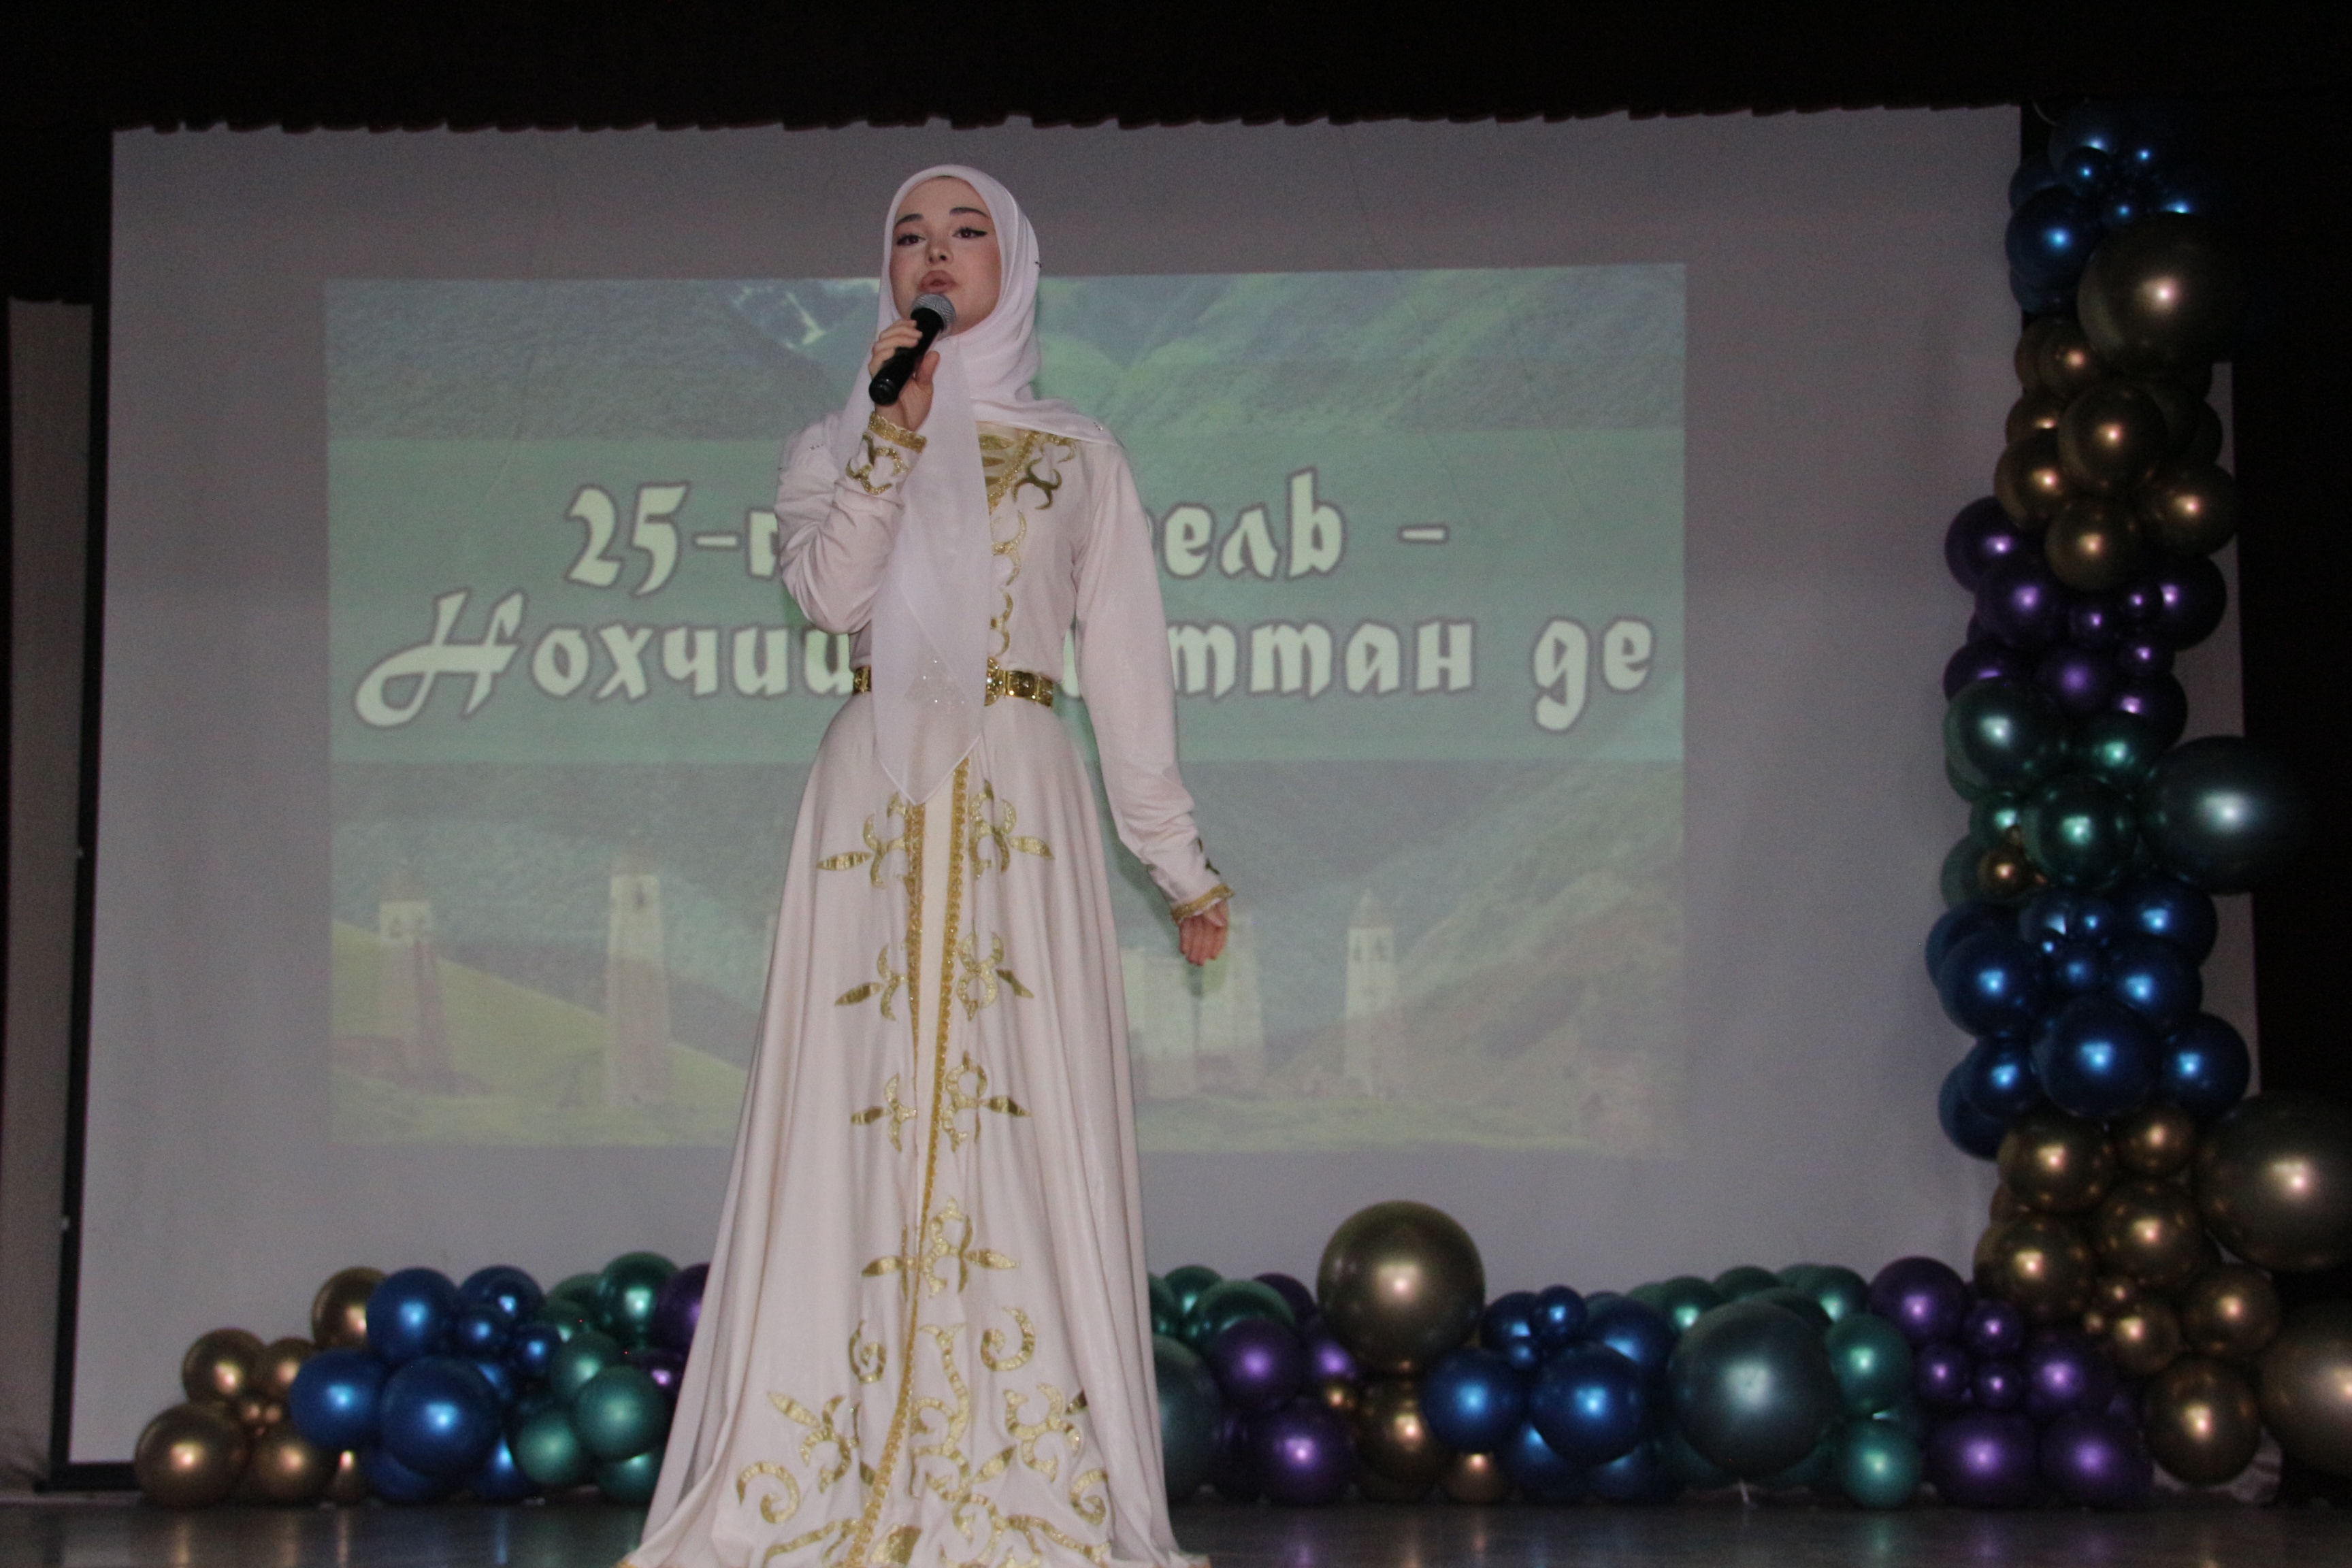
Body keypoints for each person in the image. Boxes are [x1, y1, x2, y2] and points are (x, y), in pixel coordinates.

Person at [625, 166, 1228, 1568]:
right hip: (874, 794)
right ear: (884, 273)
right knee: (859, 1107)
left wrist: (1178, 862)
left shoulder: (1080, 453)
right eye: (910, 236)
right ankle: (827, 1469)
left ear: (1013, 263)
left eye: (965, 233)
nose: (934, 256)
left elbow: (1127, 669)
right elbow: (832, 597)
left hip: (1021, 779)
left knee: (1020, 1113)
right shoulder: (833, 440)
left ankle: (1023, 1477)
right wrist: (887, 444)